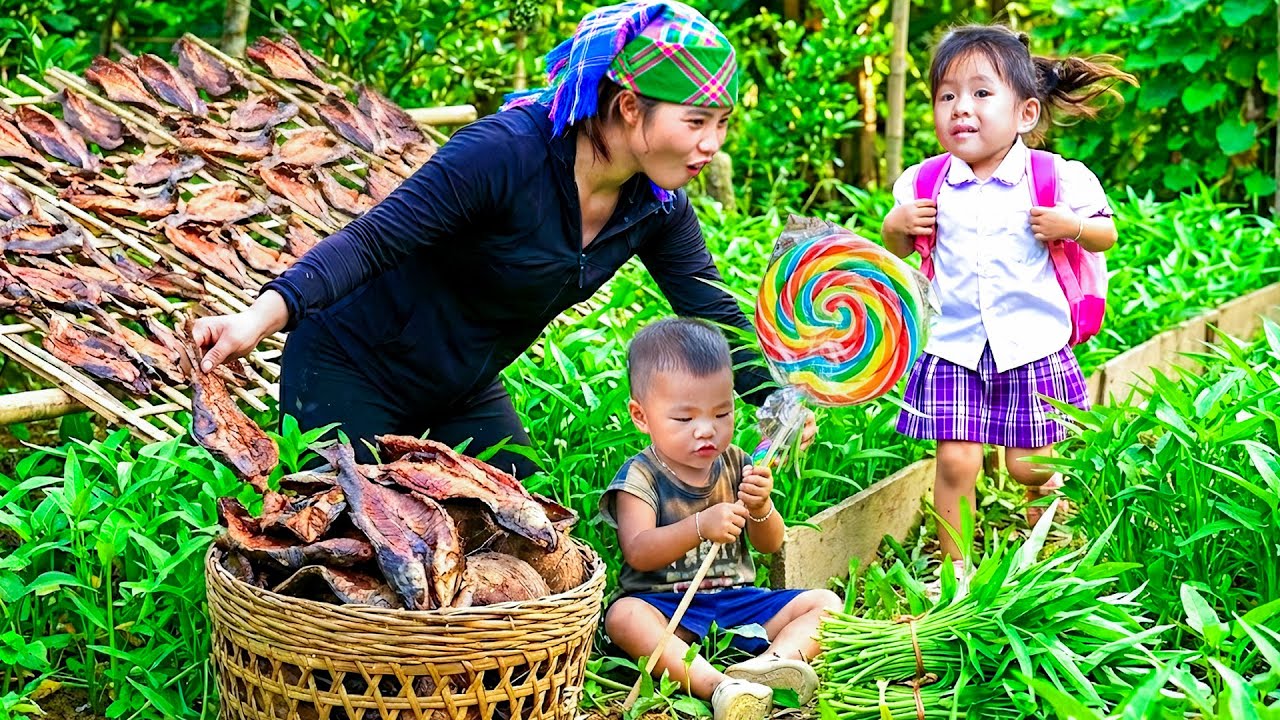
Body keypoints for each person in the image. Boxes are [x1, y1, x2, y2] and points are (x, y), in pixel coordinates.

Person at [192, 1, 813, 475]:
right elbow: (370, 242)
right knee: (353, 547)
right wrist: (255, 320)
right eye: (697, 121)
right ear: (629, 107)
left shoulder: (656, 206)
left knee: (534, 539)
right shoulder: (503, 155)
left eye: (722, 124)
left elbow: (710, 309)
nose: (712, 144)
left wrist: (777, 399)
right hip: (351, 366)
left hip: (460, 385)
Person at [880, 24, 1135, 574]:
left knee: (1031, 467)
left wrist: (1071, 225)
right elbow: (898, 248)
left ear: (1025, 114)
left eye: (980, 93)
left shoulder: (1053, 177)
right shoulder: (924, 183)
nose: (960, 108)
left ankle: (1047, 558)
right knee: (955, 460)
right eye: (946, 95)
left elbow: (1105, 233)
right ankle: (957, 578)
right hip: (952, 346)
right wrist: (895, 226)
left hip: (1031, 344)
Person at [600, 318, 841, 719]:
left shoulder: (739, 464)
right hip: (668, 610)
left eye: (722, 413)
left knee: (825, 603)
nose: (706, 430)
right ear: (641, 416)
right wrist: (699, 526)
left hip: (739, 603)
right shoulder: (640, 476)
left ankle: (766, 669)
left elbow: (770, 545)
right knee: (623, 616)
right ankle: (717, 686)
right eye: (684, 419)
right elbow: (639, 551)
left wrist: (762, 508)